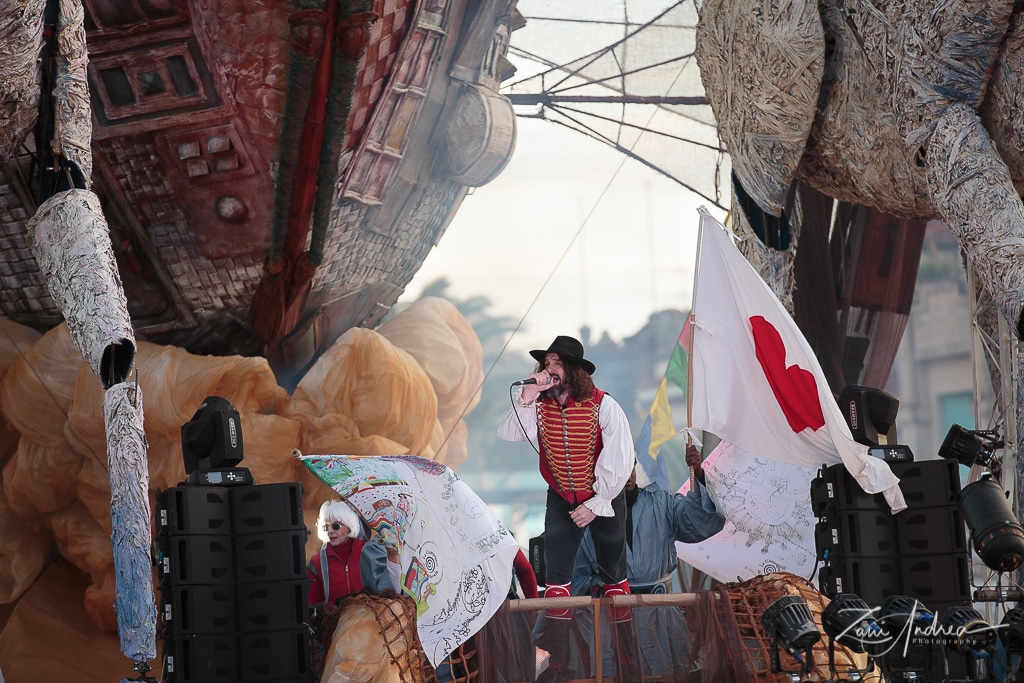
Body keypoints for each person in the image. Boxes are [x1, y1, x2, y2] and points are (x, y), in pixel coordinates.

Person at [497, 335, 638, 683]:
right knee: (555, 581)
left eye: (556, 363)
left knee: (614, 578)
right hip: (560, 495)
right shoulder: (538, 405)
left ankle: (627, 662)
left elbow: (620, 458)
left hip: (603, 496)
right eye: (546, 363)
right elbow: (508, 433)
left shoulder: (604, 405)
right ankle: (557, 660)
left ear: (572, 369)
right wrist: (527, 397)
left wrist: (596, 503)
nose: (548, 368)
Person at [569, 444, 726, 677]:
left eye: (630, 467)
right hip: (609, 623)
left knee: (665, 674)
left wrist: (698, 472)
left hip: (660, 617)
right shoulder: (589, 515)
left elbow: (701, 523)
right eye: (620, 470)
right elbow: (575, 580)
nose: (628, 476)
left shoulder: (661, 503)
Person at [306, 499, 399, 606]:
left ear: (349, 525)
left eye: (336, 526)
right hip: (336, 621)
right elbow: (313, 605)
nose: (330, 531)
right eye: (326, 526)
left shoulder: (370, 552)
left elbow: (386, 589)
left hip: (372, 618)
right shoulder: (317, 563)